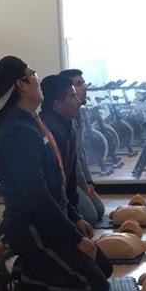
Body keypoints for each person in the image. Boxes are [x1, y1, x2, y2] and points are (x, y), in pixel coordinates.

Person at [0, 55, 112, 291]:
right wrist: (75, 239)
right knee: (93, 287)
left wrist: (74, 218)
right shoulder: (17, 131)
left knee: (104, 268)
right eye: (32, 73)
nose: (37, 79)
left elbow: (56, 185)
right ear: (21, 84)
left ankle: (33, 262)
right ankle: (13, 266)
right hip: (31, 229)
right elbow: (37, 197)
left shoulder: (32, 122)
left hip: (49, 222)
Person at [40, 74, 91, 236]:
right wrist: (73, 218)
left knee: (95, 213)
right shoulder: (49, 130)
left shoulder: (68, 123)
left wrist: (75, 214)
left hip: (65, 195)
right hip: (52, 201)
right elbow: (52, 185)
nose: (78, 101)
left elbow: (71, 173)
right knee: (91, 217)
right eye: (72, 97)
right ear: (57, 104)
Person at [58, 68, 106, 224]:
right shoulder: (65, 119)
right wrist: (84, 187)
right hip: (65, 180)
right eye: (79, 84)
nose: (85, 87)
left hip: (77, 176)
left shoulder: (78, 114)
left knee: (100, 210)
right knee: (91, 217)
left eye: (83, 83)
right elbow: (72, 162)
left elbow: (81, 153)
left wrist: (89, 181)